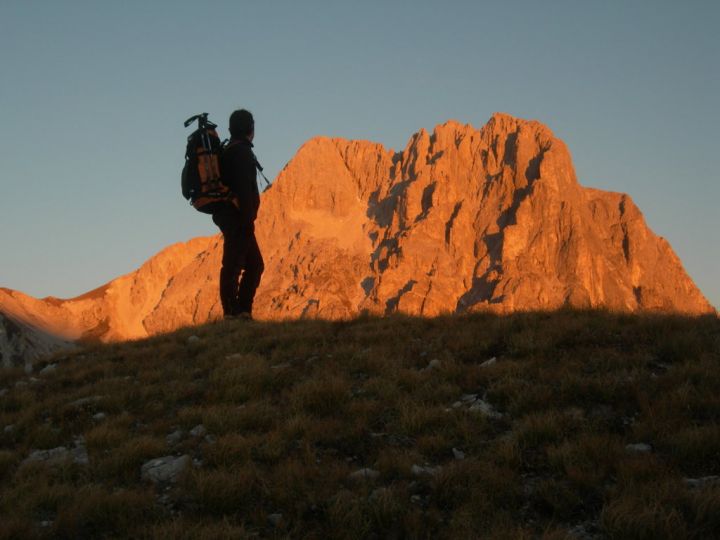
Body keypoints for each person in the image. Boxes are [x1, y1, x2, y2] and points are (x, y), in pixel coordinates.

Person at [212, 109, 264, 320]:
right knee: (234, 265)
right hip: (239, 219)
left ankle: (241, 312)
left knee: (251, 264)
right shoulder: (241, 153)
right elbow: (244, 189)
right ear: (250, 129)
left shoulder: (229, 151)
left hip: (231, 218)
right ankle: (233, 313)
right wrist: (248, 218)